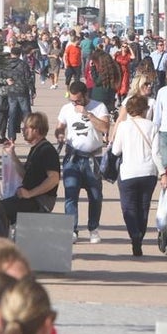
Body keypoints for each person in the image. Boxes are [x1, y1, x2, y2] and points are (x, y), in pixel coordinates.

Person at [55, 82, 110, 243]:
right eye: (72, 100)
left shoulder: (99, 107)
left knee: (95, 196)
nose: (75, 104)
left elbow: (105, 128)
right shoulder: (66, 109)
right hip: (73, 158)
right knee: (71, 194)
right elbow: (59, 127)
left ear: (86, 95)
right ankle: (72, 230)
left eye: (77, 100)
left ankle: (93, 229)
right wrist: (59, 135)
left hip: (93, 158)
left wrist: (88, 114)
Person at [112, 94, 164, 256]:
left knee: (128, 207)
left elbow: (116, 150)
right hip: (148, 172)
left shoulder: (123, 126)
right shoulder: (153, 126)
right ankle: (139, 236)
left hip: (128, 172)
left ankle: (134, 235)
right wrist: (162, 172)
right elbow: (156, 153)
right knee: (143, 207)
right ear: (145, 109)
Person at [0, 112, 62, 223]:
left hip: (40, 201)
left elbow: (54, 179)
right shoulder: (36, 148)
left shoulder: (47, 150)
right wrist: (12, 154)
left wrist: (30, 193)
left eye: (26, 128)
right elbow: (25, 174)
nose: (22, 131)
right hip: (30, 199)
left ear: (36, 130)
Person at [2, 45, 36, 143]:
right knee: (26, 114)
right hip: (22, 91)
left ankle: (11, 138)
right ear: (20, 54)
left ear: (11, 53)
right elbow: (29, 78)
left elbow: (2, 75)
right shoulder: (23, 64)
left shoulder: (6, 64)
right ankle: (29, 135)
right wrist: (33, 90)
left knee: (12, 115)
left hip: (11, 91)